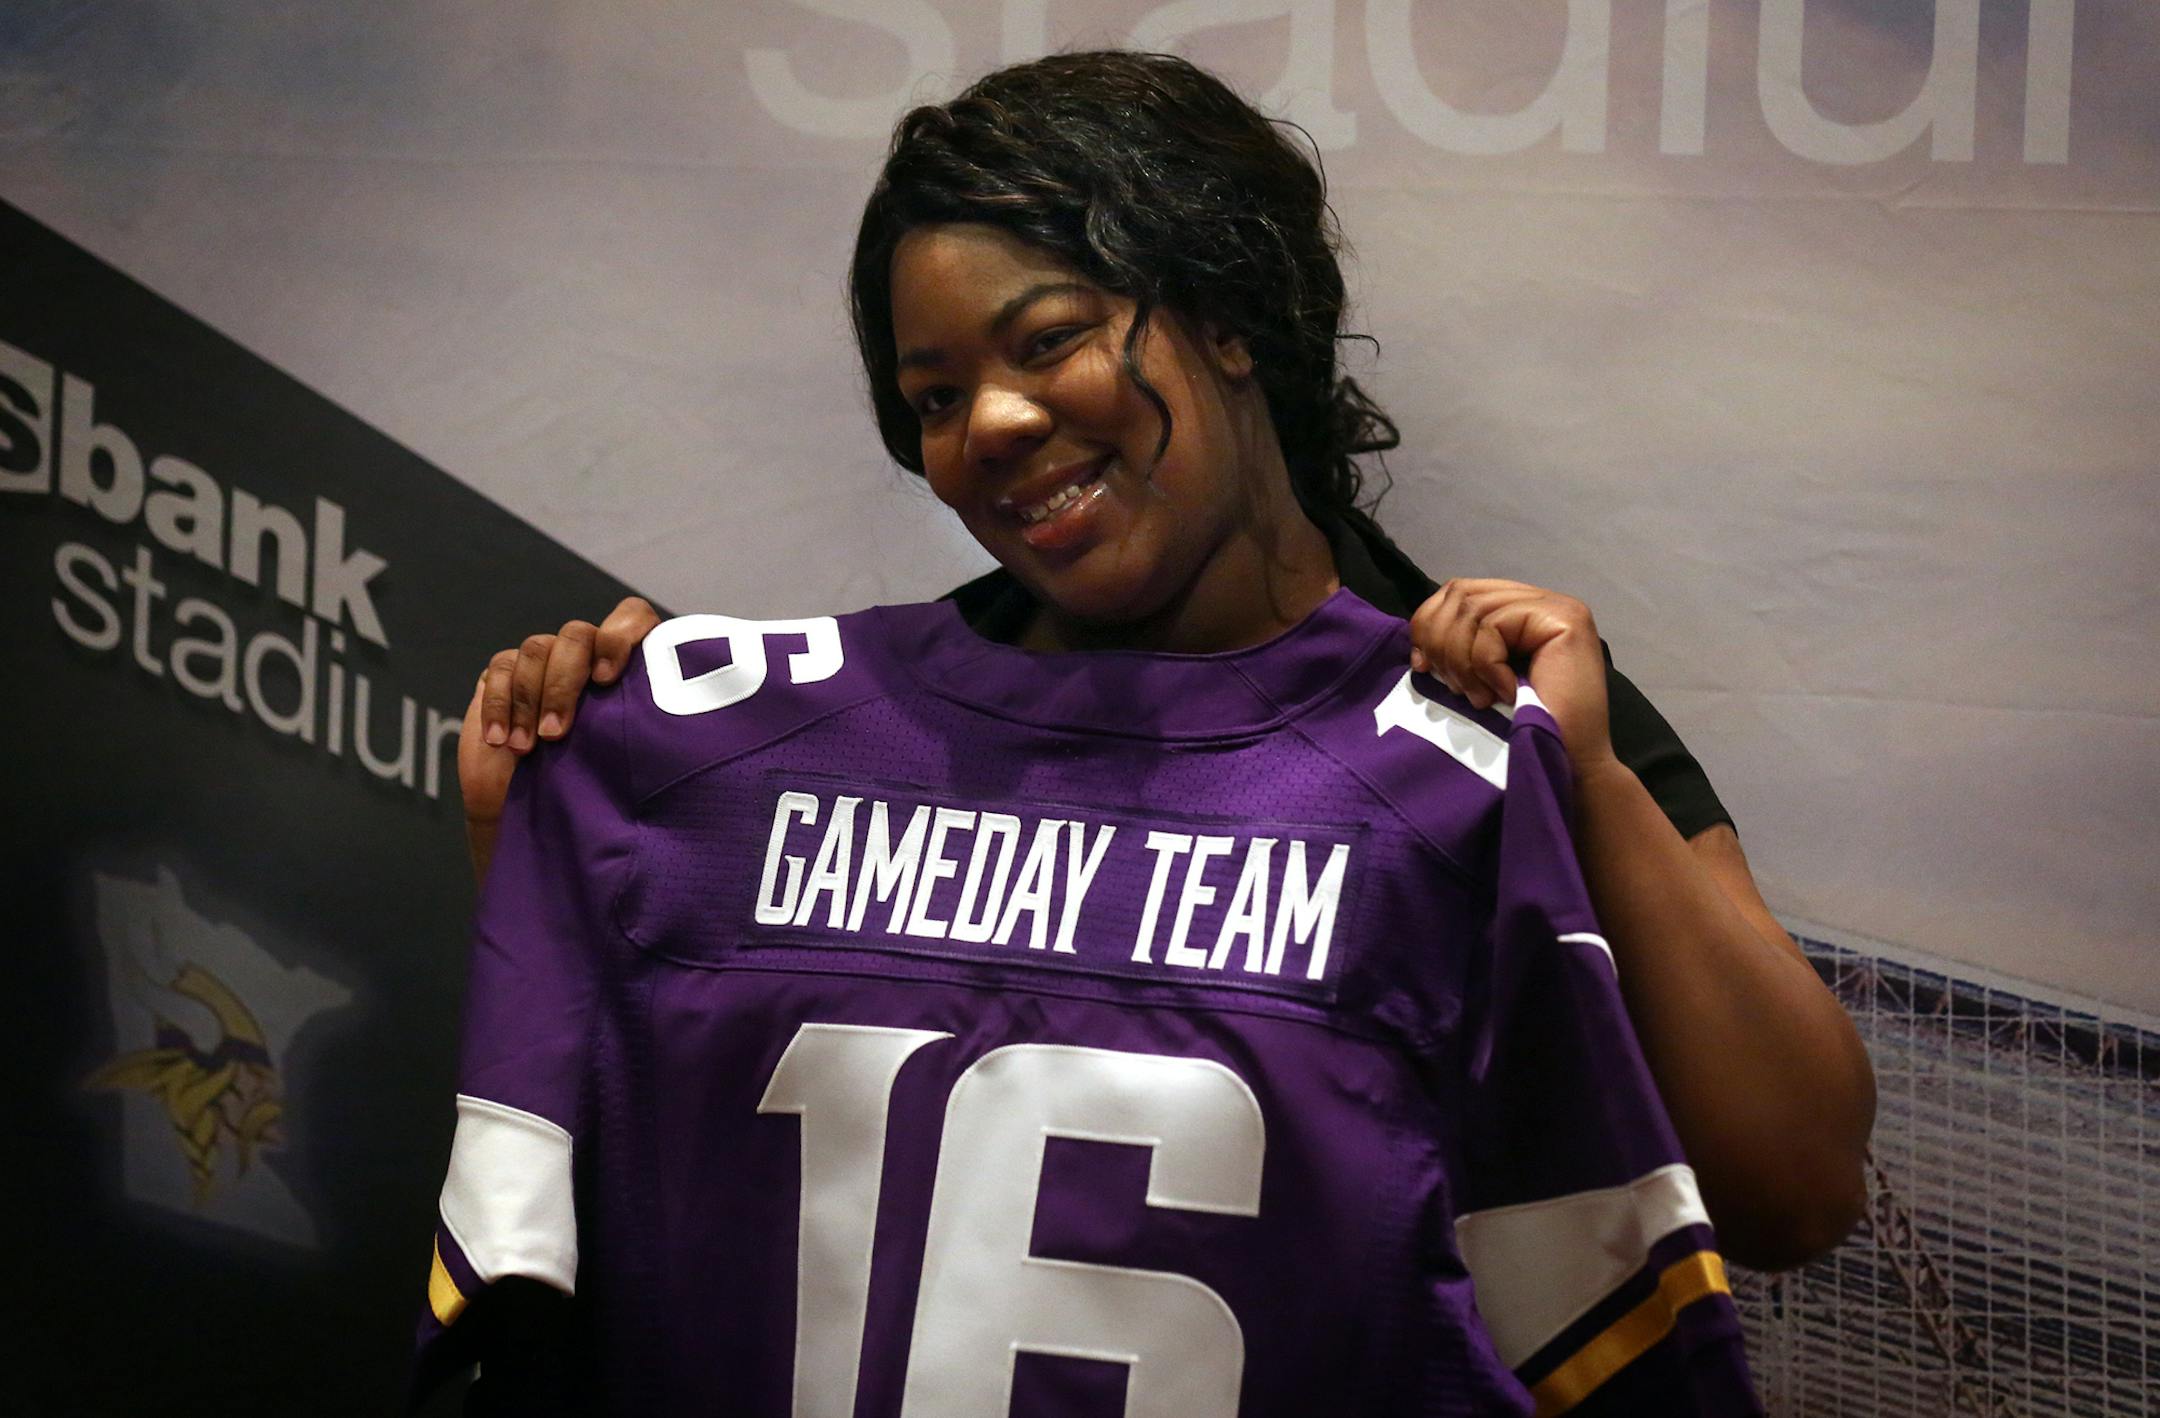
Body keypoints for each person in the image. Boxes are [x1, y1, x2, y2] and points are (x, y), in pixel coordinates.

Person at [434, 49, 1872, 1410]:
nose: (992, 423)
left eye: (1049, 340)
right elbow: (647, 1178)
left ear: (1231, 316)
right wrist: (571, 807)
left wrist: (1589, 779)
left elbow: (1795, 1190)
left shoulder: (1483, 725)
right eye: (935, 397)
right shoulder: (811, 738)